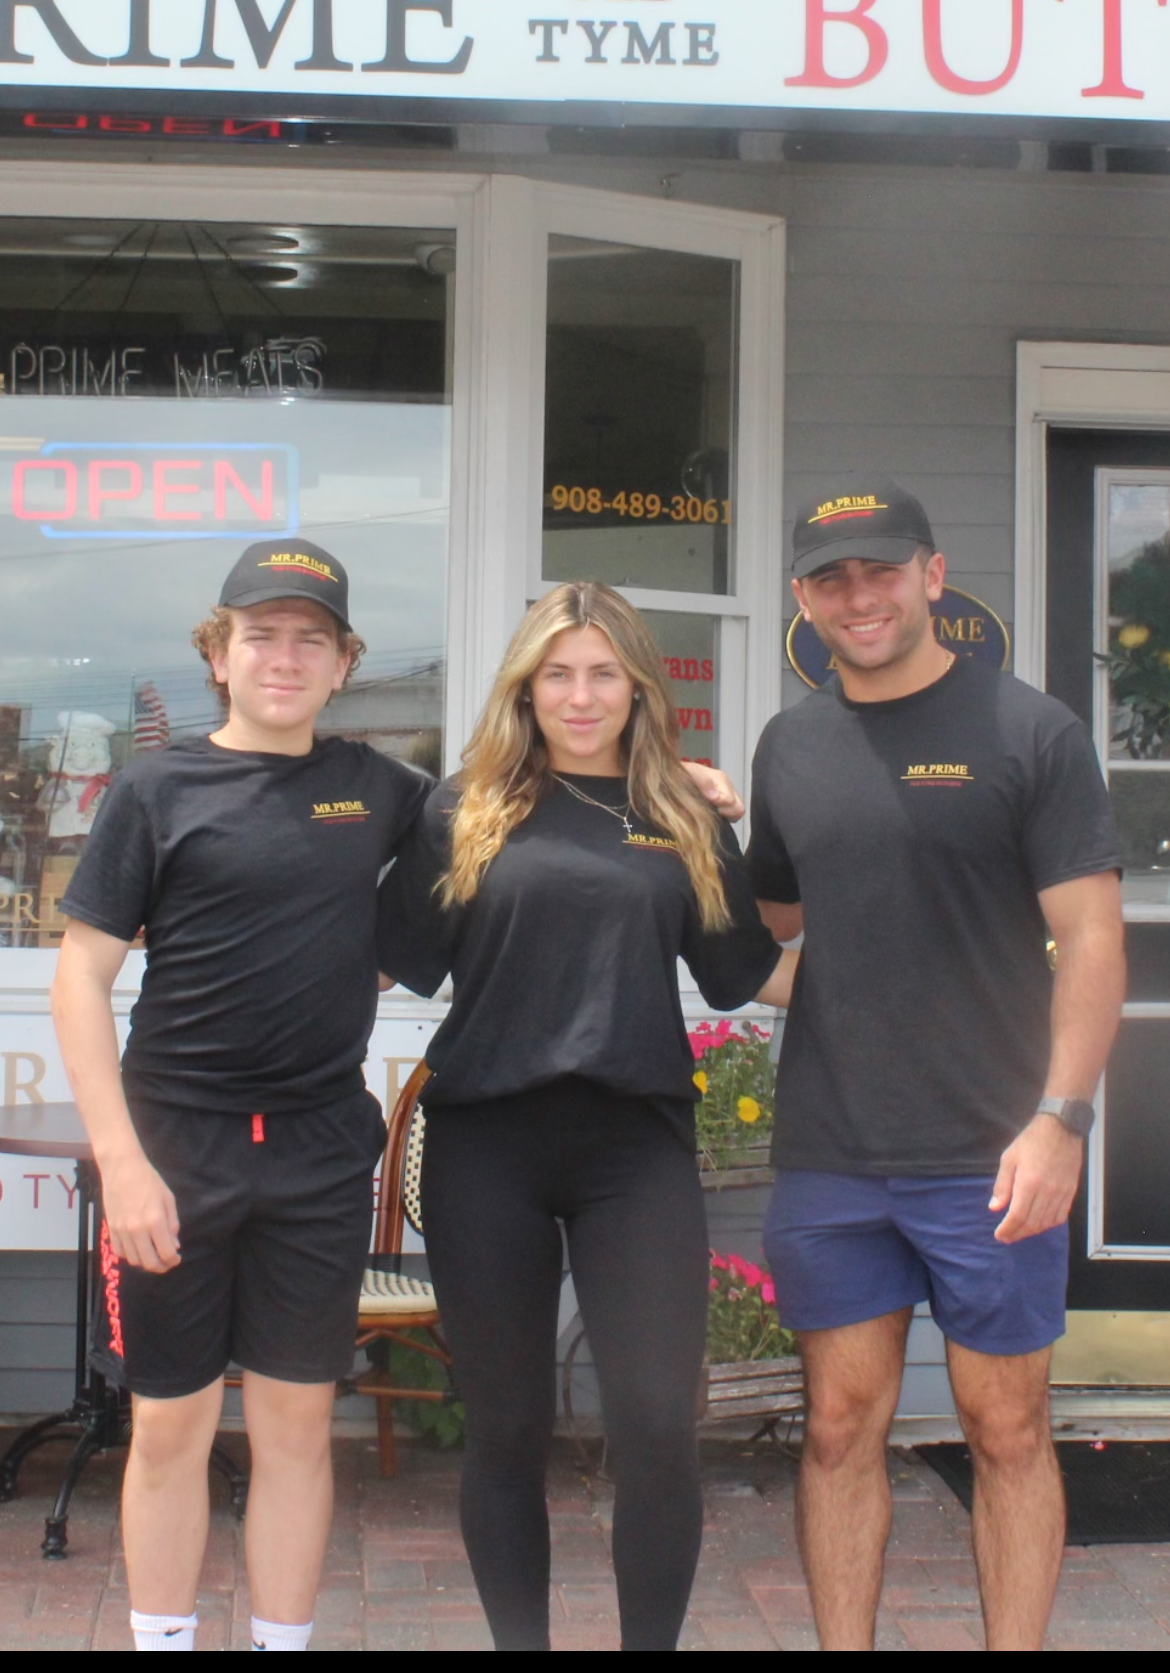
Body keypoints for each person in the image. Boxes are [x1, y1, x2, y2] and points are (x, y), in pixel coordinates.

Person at [377, 581, 799, 1653]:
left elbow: (748, 971)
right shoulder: (460, 808)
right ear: (525, 685)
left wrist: (923, 961)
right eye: (556, 672)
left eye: (602, 671)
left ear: (638, 684)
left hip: (634, 1147)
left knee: (659, 1425)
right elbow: (387, 955)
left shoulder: (684, 814)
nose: (579, 693)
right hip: (487, 1145)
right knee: (508, 1429)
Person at [746, 481, 1126, 1652]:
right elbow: (768, 934)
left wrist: (1061, 1117)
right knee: (837, 1426)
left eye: (880, 570)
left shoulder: (1029, 732)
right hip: (832, 1152)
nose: (858, 596)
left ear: (931, 575)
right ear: (803, 598)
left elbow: (1096, 940)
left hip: (990, 1152)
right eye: (831, 578)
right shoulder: (790, 743)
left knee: (1005, 1426)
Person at [50, 539, 432, 1653]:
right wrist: (121, 1160)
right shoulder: (155, 788)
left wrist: (675, 786)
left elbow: (511, 817)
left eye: (311, 637)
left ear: (345, 661)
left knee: (297, 1425)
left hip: (316, 1152)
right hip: (174, 1149)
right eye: (260, 633)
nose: (284, 654)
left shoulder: (378, 787)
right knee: (168, 1427)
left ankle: (280, 1640)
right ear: (218, 653)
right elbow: (79, 978)